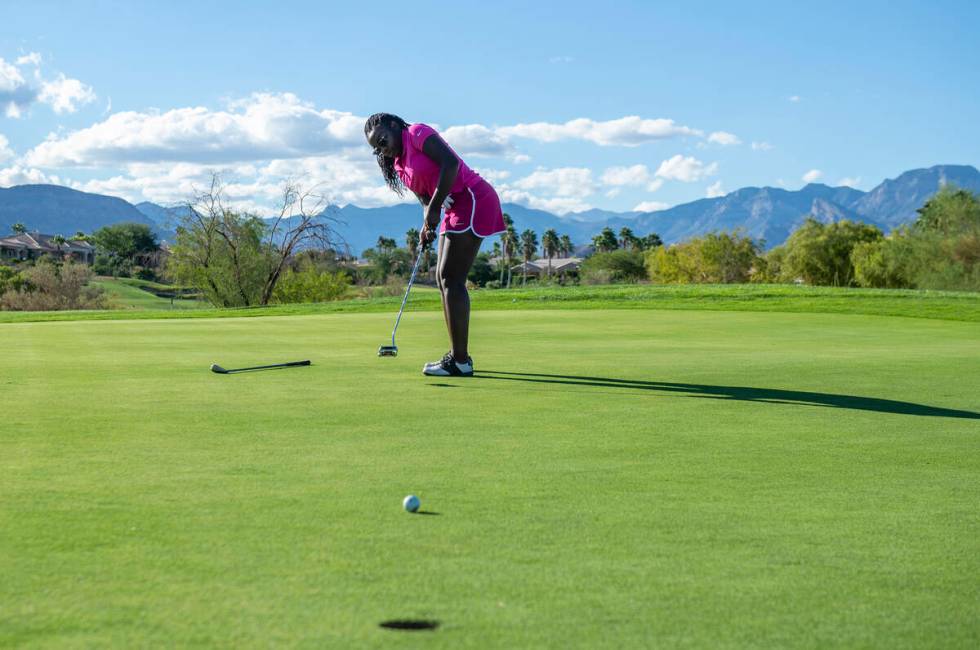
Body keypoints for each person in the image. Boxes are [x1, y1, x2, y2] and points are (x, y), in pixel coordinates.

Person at [364, 113, 505, 377]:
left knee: (451, 278)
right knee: (444, 279)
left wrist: (436, 206)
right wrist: (427, 222)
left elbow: (450, 164)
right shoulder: (398, 165)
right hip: (453, 208)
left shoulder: (416, 133)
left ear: (394, 126)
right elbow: (425, 200)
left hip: (472, 197)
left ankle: (460, 361)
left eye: (383, 140)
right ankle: (457, 357)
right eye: (377, 148)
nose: (383, 149)